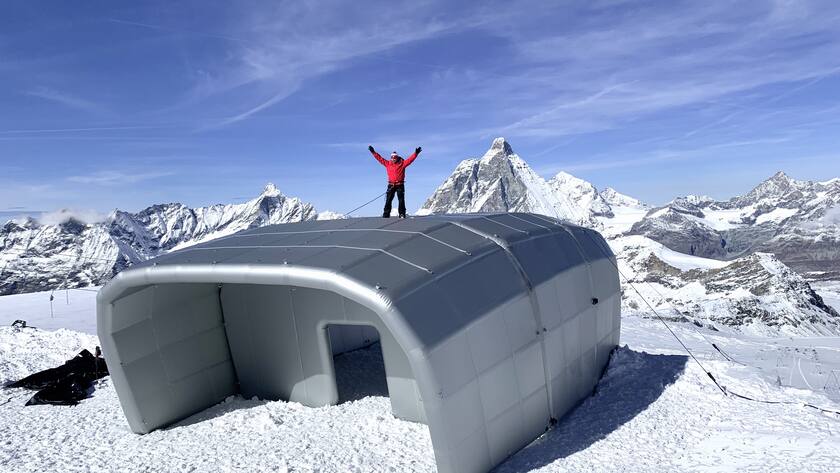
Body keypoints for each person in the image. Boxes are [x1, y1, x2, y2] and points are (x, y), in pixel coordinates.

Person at [368, 145, 422, 218]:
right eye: (392, 157)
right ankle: (386, 214)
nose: (393, 159)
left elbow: (410, 160)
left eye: (395, 158)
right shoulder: (387, 164)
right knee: (388, 200)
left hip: (400, 184)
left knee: (401, 200)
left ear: (397, 158)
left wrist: (416, 153)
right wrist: (373, 152)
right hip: (391, 185)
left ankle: (402, 214)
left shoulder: (402, 164)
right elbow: (379, 158)